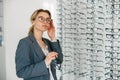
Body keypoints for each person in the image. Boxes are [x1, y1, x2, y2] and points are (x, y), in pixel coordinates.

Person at [15, 9, 63, 80]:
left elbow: (59, 60)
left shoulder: (48, 42)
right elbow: (21, 72)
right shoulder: (25, 43)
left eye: (47, 19)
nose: (45, 22)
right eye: (41, 18)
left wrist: (53, 37)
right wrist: (45, 63)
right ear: (33, 21)